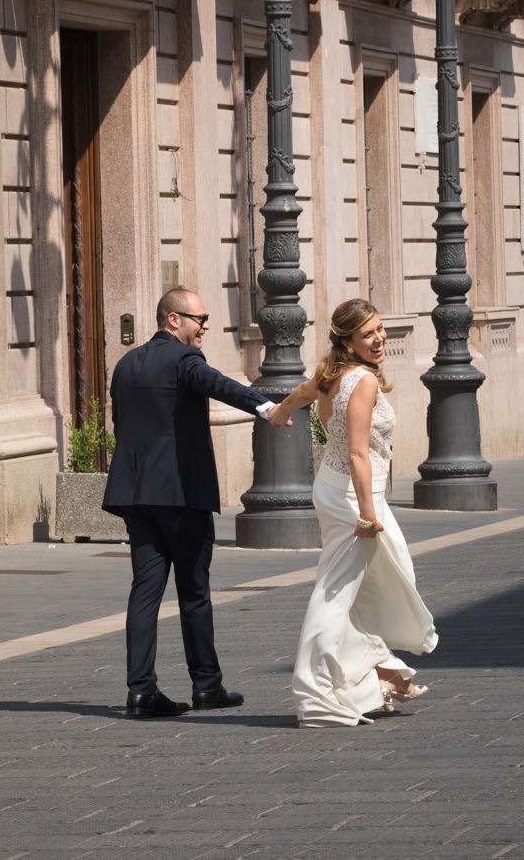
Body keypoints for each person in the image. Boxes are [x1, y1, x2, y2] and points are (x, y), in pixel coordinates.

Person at [103, 287, 302, 719]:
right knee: (194, 592)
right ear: (173, 319)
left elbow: (122, 425)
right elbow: (219, 385)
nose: (205, 326)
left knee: (145, 592)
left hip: (135, 495)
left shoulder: (126, 364)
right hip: (179, 495)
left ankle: (140, 691)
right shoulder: (184, 360)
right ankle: (207, 686)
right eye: (200, 318)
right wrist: (267, 406)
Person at [281, 299, 438, 727]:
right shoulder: (363, 380)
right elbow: (357, 451)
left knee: (370, 584)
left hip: (334, 489)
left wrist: (279, 413)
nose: (379, 339)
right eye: (368, 334)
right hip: (354, 495)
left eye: (380, 329)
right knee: (336, 593)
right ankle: (315, 692)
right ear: (347, 340)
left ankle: (380, 674)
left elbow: (300, 394)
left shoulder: (331, 373)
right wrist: (369, 514)